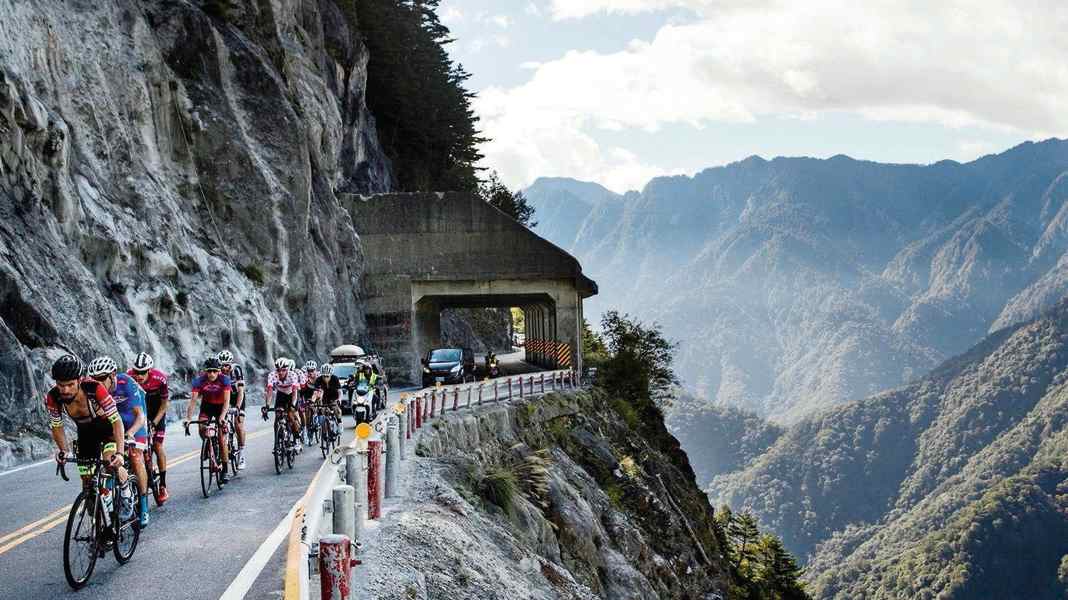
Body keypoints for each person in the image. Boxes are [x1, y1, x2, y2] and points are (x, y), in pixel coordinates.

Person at [45, 355, 136, 520]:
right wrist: (63, 450)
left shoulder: (95, 389)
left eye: (70, 385)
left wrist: (120, 454)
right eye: (61, 385)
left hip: (108, 430)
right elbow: (57, 426)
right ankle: (101, 515)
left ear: (80, 380)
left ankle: (126, 491)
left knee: (110, 462)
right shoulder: (53, 397)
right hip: (86, 434)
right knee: (87, 480)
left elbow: (116, 421)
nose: (65, 390)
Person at [87, 356, 151, 527]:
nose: (98, 383)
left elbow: (140, 416)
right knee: (108, 460)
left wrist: (130, 433)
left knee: (136, 458)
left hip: (134, 424)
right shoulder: (94, 389)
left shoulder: (126, 383)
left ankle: (144, 505)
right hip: (114, 426)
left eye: (102, 378)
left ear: (113, 375)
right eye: (95, 379)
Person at [128, 352, 171, 503]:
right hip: (140, 413)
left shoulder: (160, 379)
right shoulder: (129, 377)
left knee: (157, 446)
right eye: (136, 371)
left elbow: (165, 404)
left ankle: (163, 485)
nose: (139, 375)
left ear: (149, 370)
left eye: (142, 372)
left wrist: (154, 422)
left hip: (156, 412)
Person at [184, 357, 233, 484]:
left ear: (219, 371)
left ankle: (225, 470)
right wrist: (188, 418)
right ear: (205, 371)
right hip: (207, 406)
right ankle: (208, 444)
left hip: (221, 407)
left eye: (214, 371)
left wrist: (222, 416)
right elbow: (193, 401)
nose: (211, 374)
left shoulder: (224, 379)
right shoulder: (199, 381)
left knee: (222, 439)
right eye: (209, 371)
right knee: (201, 428)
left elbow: (227, 401)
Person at [262, 357, 302, 450]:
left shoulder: (293, 375)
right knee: (278, 415)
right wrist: (267, 406)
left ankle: (297, 438)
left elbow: (295, 392)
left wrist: (293, 405)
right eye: (278, 370)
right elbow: (270, 392)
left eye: (283, 370)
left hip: (292, 394)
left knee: (290, 415)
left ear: (287, 369)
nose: (280, 372)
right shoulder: (272, 375)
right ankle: (277, 442)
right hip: (281, 394)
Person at [218, 350, 247, 470]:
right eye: (222, 365)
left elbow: (241, 391)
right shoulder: (217, 372)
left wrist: (238, 408)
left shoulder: (236, 370)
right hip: (225, 397)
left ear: (231, 364)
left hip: (236, 397)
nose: (224, 368)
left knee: (238, 424)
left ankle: (241, 454)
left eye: (227, 365)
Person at [312, 363, 342, 441]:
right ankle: (325, 432)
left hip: (333, 396)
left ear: (331, 375)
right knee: (322, 411)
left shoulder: (335, 379)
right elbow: (315, 393)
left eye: (327, 376)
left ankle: (339, 424)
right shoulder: (318, 380)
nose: (325, 378)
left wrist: (339, 400)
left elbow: (339, 391)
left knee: (336, 409)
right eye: (324, 376)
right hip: (324, 397)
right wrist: (312, 401)